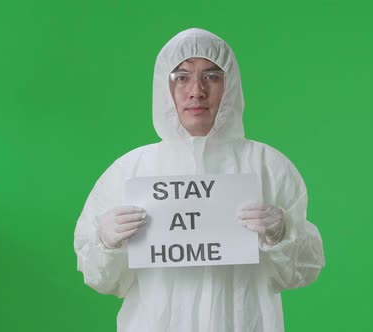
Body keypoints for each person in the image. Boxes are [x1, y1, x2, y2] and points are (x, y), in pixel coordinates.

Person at [74, 28, 325, 332]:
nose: (196, 91)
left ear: (229, 85)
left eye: (211, 76)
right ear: (163, 87)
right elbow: (103, 279)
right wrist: (105, 242)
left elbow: (302, 272)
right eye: (181, 77)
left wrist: (284, 233)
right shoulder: (131, 171)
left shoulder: (267, 166)